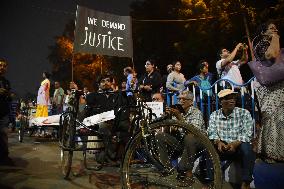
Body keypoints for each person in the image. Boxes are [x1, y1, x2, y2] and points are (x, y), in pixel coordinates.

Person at [250, 21, 284, 189]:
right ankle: (271, 153)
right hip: (269, 89)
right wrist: (275, 38)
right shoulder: (261, 43)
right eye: (271, 28)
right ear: (263, 32)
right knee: (273, 118)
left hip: (280, 88)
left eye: (276, 28)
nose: (275, 29)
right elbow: (272, 55)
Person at [156, 91, 206, 187]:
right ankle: (167, 169)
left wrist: (179, 117)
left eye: (184, 99)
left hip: (198, 142)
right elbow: (167, 132)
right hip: (182, 142)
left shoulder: (196, 112)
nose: (181, 101)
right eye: (179, 99)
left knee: (189, 138)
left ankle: (188, 175)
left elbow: (193, 133)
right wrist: (168, 118)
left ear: (191, 102)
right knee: (160, 136)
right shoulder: (178, 112)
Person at [207, 89, 255, 189]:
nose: (232, 100)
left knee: (247, 148)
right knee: (209, 148)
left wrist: (234, 144)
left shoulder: (244, 113)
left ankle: (246, 183)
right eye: (227, 98)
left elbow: (247, 133)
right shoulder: (214, 115)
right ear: (220, 102)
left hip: (238, 145)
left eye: (233, 98)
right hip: (221, 146)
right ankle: (212, 181)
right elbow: (211, 132)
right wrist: (218, 142)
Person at [0, 59, 13, 165]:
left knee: (4, 133)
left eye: (4, 66)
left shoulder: (6, 82)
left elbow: (9, 99)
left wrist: (9, 95)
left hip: (3, 112)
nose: (2, 67)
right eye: (0, 65)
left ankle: (5, 157)